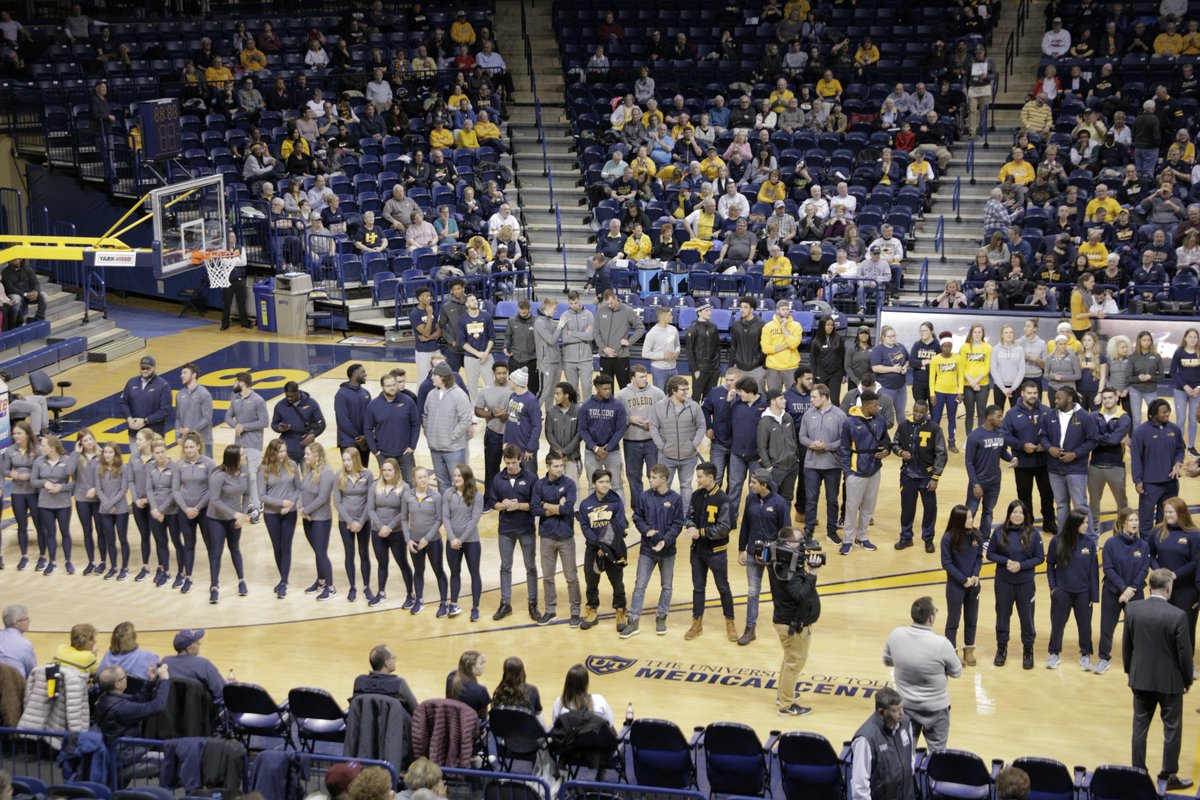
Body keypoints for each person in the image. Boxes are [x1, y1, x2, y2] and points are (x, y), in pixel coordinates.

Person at [1124, 568, 1194, 792]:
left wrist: (1131, 672)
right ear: (1168, 589)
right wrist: (1187, 680)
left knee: (1139, 728)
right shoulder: (1177, 615)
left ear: (1149, 585)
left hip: (1140, 678)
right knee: (1172, 729)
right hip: (1169, 682)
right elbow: (1184, 654)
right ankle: (1169, 775)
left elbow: (1127, 646)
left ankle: (1137, 773)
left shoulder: (1133, 609)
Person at [883, 596, 961, 750]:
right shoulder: (942, 644)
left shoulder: (895, 634)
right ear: (931, 617)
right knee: (937, 757)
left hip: (905, 708)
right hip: (936, 710)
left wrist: (906, 662)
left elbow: (887, 661)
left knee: (905, 753)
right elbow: (957, 672)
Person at [766, 526, 824, 716]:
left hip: (789, 621)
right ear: (789, 543)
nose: (802, 545)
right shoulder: (785, 567)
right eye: (799, 541)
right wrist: (812, 572)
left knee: (790, 660)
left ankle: (783, 694)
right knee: (794, 663)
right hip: (792, 624)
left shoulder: (782, 559)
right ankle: (786, 705)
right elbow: (800, 594)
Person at [624, 464, 684, 638]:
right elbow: (637, 517)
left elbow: (678, 523)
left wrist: (666, 541)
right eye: (650, 476)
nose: (649, 479)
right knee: (639, 586)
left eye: (653, 477)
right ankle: (633, 621)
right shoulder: (644, 496)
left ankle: (661, 616)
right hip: (647, 550)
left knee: (667, 586)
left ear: (664, 479)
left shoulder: (675, 499)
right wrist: (645, 530)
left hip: (667, 551)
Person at [988, 500, 1045, 669]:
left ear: (1025, 515)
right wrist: (1006, 561)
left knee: (1027, 618)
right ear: (1009, 514)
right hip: (1004, 582)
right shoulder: (999, 532)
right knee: (1003, 615)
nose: (1017, 515)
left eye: (1021, 512)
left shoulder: (1033, 534)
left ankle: (1028, 650)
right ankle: (1001, 648)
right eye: (1014, 512)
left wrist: (1022, 565)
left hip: (1025, 583)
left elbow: (1040, 557)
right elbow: (990, 554)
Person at [737, 469, 790, 646]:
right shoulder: (750, 499)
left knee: (778, 591)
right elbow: (745, 524)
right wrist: (741, 549)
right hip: (753, 552)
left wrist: (782, 555)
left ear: (764, 485)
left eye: (753, 482)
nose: (750, 485)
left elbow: (786, 532)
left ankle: (784, 626)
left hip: (773, 555)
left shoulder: (780, 503)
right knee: (753, 591)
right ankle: (749, 628)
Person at [1046, 508, 1100, 671]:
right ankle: (1054, 652)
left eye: (1087, 522)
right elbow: (1050, 564)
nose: (1086, 525)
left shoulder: (1090, 543)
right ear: (1074, 523)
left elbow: (1093, 571)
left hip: (1083, 592)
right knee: (1057, 624)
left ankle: (1085, 654)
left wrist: (1094, 595)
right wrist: (1053, 587)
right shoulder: (1057, 541)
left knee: (1085, 625)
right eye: (1083, 522)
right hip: (1062, 591)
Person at [1040, 388, 1099, 536]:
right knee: (1061, 506)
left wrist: (1075, 454)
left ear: (1069, 399)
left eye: (1059, 398)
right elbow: (1042, 436)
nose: (1055, 401)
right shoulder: (1049, 415)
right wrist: (1049, 448)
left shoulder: (1085, 417)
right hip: (1054, 468)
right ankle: (1063, 538)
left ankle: (1091, 538)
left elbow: (1093, 440)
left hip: (1076, 469)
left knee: (1080, 505)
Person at [576, 467, 629, 633]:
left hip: (613, 550)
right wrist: (599, 545)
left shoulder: (616, 502)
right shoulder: (586, 504)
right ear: (594, 484)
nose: (605, 485)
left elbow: (619, 526)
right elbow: (585, 527)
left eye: (607, 482)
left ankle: (621, 612)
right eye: (601, 482)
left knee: (617, 584)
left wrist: (605, 546)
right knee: (591, 583)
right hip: (593, 551)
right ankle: (592, 611)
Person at [531, 451, 580, 626]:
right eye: (557, 466)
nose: (561, 469)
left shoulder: (570, 484)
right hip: (546, 536)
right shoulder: (539, 485)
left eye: (562, 466)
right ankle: (550, 611)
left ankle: (575, 611)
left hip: (566, 536)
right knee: (547, 577)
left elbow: (568, 510)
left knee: (571, 577)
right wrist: (555, 507)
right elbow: (535, 509)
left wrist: (546, 505)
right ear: (548, 466)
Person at [1002, 381, 1057, 536]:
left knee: (1047, 494)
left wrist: (1044, 445)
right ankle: (1028, 524)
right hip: (1022, 462)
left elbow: (1055, 433)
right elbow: (1005, 435)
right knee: (1024, 495)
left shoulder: (1047, 411)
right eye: (1029, 393)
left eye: (1035, 393)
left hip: (1044, 462)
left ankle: (1049, 522)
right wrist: (1021, 445)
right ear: (1022, 394)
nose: (1033, 396)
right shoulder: (1012, 414)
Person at [839, 391, 890, 555]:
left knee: (869, 506)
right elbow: (844, 449)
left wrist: (887, 451)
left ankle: (861, 536)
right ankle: (847, 539)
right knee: (851, 507)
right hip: (856, 470)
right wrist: (847, 472)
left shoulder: (880, 420)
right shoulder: (850, 422)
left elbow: (886, 440)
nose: (878, 407)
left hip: (875, 469)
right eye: (875, 405)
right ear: (866, 405)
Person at [893, 401, 946, 552]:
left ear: (926, 413)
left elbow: (941, 454)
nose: (917, 414)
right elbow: (895, 443)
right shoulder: (904, 425)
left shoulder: (934, 428)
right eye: (915, 410)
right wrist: (900, 452)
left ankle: (928, 539)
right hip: (908, 474)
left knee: (930, 509)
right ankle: (906, 537)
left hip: (927, 476)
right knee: (907, 508)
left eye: (921, 412)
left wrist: (935, 477)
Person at [848, 688, 916, 800]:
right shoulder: (866, 739)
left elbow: (910, 757)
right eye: (895, 710)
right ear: (881, 712)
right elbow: (860, 787)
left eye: (902, 707)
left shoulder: (905, 723)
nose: (901, 713)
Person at [799, 384, 846, 546]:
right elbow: (801, 436)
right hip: (811, 464)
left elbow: (844, 440)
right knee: (811, 500)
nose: (811, 400)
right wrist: (812, 443)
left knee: (832, 499)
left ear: (824, 397)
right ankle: (808, 531)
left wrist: (827, 446)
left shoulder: (840, 415)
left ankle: (831, 532)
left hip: (832, 465)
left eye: (814, 397)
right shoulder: (807, 414)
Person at [1131, 399, 1185, 535]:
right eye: (1164, 412)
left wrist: (1178, 462)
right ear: (1154, 414)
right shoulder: (1140, 431)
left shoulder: (1174, 429)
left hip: (1171, 483)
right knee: (1146, 521)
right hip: (1150, 484)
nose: (1168, 414)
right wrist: (1138, 480)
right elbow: (1136, 458)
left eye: (1168, 411)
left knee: (1167, 520)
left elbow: (1180, 448)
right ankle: (1146, 550)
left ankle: (1162, 547)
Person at [366, 458, 413, 609]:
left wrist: (389, 527)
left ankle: (410, 594)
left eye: (389, 470)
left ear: (396, 471)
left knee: (402, 563)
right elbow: (370, 509)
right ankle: (381, 593)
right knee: (382, 563)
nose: (386, 473)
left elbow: (404, 512)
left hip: (396, 532)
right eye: (384, 470)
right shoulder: (375, 486)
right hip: (377, 532)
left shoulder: (404, 487)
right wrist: (381, 527)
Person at [940, 505, 982, 665]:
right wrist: (963, 580)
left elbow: (979, 557)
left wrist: (975, 575)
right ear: (958, 520)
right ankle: (951, 654)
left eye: (971, 517)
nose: (971, 520)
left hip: (973, 585)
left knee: (971, 619)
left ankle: (969, 650)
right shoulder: (948, 538)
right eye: (968, 518)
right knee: (953, 621)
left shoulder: (976, 534)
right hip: (956, 586)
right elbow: (947, 563)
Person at [422, 362, 473, 494]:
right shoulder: (431, 394)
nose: (432, 378)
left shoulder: (459, 395)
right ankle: (445, 510)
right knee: (441, 481)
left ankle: (461, 510)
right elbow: (425, 416)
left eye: (435, 375)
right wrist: (429, 433)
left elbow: (466, 420)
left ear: (443, 377)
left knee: (459, 482)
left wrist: (452, 436)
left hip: (454, 449)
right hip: (435, 448)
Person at [365, 370, 420, 487]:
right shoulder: (373, 405)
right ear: (382, 387)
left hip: (405, 453)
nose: (392, 388)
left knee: (412, 483)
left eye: (394, 385)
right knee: (387, 484)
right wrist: (375, 451)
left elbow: (416, 423)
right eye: (388, 386)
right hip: (384, 454)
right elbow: (368, 429)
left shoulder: (408, 401)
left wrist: (412, 446)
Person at [334, 448, 375, 604]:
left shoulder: (368, 475)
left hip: (363, 521)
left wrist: (361, 521)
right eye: (344, 460)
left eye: (349, 460)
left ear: (356, 459)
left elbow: (370, 500)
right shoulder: (339, 475)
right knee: (349, 553)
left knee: (364, 553)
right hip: (346, 522)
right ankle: (352, 587)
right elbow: (337, 502)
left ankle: (366, 586)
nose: (346, 463)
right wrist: (350, 521)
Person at [93, 661, 171, 743]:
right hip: (126, 752)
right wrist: (164, 680)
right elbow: (158, 706)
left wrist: (150, 682)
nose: (126, 678)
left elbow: (137, 700)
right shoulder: (121, 708)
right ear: (117, 684)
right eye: (124, 676)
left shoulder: (104, 698)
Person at [580, 374, 628, 505]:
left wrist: (607, 448)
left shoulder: (618, 406)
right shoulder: (586, 406)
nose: (608, 391)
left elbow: (620, 429)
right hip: (591, 452)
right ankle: (593, 513)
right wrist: (595, 448)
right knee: (592, 485)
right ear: (596, 388)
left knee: (617, 485)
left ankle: (620, 517)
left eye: (609, 388)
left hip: (612, 452)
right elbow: (583, 430)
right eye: (604, 388)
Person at [224, 372, 268, 514]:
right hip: (239, 444)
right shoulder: (235, 399)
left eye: (234, 382)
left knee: (252, 475)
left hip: (254, 444)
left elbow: (264, 421)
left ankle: (257, 505)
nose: (233, 385)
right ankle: (247, 504)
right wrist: (235, 425)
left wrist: (244, 426)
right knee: (241, 474)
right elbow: (228, 417)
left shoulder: (258, 400)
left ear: (241, 383)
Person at [32, 434, 75, 575]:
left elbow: (74, 481)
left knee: (65, 532)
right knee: (50, 533)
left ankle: (68, 561)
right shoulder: (39, 461)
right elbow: (33, 481)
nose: (41, 447)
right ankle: (52, 562)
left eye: (43, 445)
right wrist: (44, 483)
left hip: (63, 503)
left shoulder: (67, 460)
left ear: (52, 448)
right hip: (45, 503)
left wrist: (61, 488)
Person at [965, 405, 1011, 538]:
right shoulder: (975, 436)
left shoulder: (1001, 433)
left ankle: (984, 537)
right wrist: (975, 484)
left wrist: (1012, 458)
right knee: (971, 511)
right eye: (998, 416)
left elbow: (1002, 452)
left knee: (988, 511)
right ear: (989, 417)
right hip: (979, 481)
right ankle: (965, 537)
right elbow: (969, 462)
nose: (1001, 419)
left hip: (995, 481)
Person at [299, 443, 337, 602]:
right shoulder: (308, 470)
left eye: (308, 454)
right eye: (305, 454)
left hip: (321, 519)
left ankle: (331, 587)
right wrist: (301, 508)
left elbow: (322, 498)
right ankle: (321, 581)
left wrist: (306, 510)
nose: (305, 456)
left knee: (321, 552)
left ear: (316, 455)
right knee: (317, 551)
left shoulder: (327, 473)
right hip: (307, 518)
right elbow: (301, 490)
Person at [3, 421, 42, 572]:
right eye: (14, 433)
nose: (16, 436)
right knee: (21, 525)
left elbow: (41, 469)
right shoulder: (10, 450)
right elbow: (5, 470)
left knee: (40, 525)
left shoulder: (37, 449)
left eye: (19, 433)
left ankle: (43, 556)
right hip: (18, 492)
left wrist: (30, 475)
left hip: (34, 492)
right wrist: (11, 474)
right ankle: (24, 556)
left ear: (27, 433)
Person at [95, 442, 132, 581]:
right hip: (104, 510)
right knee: (110, 539)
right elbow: (98, 489)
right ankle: (113, 567)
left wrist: (110, 503)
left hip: (120, 509)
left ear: (116, 454)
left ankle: (125, 568)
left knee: (122, 539)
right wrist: (107, 504)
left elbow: (124, 489)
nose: (107, 455)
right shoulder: (99, 468)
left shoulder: (123, 467)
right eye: (105, 452)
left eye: (110, 452)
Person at [594, 290, 643, 389]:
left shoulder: (627, 310)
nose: (609, 306)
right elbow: (596, 332)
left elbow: (640, 328)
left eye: (611, 303)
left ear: (616, 297)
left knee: (625, 388)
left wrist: (629, 341)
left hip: (621, 357)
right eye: (607, 303)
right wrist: (604, 348)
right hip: (604, 357)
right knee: (605, 389)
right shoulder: (600, 310)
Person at [162, 628, 227, 702]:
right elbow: (221, 692)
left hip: (171, 711)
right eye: (196, 642)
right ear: (189, 649)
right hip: (201, 711)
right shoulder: (204, 664)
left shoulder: (165, 662)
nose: (199, 643)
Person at [118, 355, 172, 443]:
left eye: (148, 368)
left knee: (156, 456)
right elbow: (123, 403)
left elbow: (166, 410)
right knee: (135, 456)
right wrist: (129, 418)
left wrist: (145, 421)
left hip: (155, 435)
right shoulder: (131, 382)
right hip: (134, 434)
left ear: (154, 368)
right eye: (143, 368)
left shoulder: (163, 385)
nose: (145, 370)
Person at [271, 381, 327, 465]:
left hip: (307, 448)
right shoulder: (280, 405)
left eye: (292, 396)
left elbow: (321, 424)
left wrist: (313, 434)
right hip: (288, 448)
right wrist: (279, 428)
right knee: (289, 477)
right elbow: (274, 424)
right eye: (287, 396)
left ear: (298, 392)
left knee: (309, 476)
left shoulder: (311, 403)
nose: (289, 398)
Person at [353, 644, 419, 713]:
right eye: (393, 658)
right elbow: (416, 711)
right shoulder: (399, 684)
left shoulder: (359, 681)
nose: (395, 660)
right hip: (394, 723)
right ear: (386, 663)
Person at [929, 333, 963, 453]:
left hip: (953, 393)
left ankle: (951, 442)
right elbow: (932, 378)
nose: (947, 348)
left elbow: (961, 376)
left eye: (950, 346)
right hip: (939, 392)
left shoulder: (957, 358)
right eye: (945, 346)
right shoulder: (935, 359)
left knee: (951, 418)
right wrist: (932, 394)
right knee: (936, 419)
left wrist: (960, 392)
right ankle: (934, 442)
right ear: (941, 347)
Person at [558, 291, 595, 400]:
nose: (574, 305)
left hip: (586, 359)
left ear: (579, 299)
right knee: (572, 389)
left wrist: (573, 333)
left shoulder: (589, 314)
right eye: (571, 303)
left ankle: (587, 410)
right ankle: (575, 412)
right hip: (569, 360)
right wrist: (583, 334)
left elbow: (591, 337)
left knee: (586, 386)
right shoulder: (564, 316)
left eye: (575, 302)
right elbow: (565, 339)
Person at [335, 364, 372, 470]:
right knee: (350, 474)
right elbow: (343, 421)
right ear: (354, 374)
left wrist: (365, 436)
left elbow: (370, 418)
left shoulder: (366, 393)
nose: (365, 374)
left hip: (364, 442)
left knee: (363, 473)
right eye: (363, 372)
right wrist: (358, 438)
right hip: (348, 442)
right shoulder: (341, 394)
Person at [176, 363, 214, 456]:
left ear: (193, 375)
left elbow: (207, 418)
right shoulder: (180, 394)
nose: (182, 375)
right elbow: (178, 418)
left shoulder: (204, 394)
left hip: (203, 442)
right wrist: (178, 436)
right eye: (181, 373)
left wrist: (191, 430)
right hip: (187, 443)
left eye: (185, 373)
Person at [686, 302, 721, 401]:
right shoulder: (693, 328)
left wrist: (717, 366)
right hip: (700, 369)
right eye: (707, 311)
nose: (710, 313)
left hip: (714, 368)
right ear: (699, 312)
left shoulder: (713, 327)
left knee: (709, 398)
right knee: (696, 397)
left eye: (710, 310)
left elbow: (717, 347)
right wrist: (695, 369)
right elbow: (689, 350)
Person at [534, 297, 564, 413]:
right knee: (544, 391)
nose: (555, 311)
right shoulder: (539, 322)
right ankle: (531, 415)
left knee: (553, 392)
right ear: (548, 308)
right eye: (554, 309)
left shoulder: (550, 321)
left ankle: (550, 416)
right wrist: (560, 326)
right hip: (545, 362)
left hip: (556, 361)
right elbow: (551, 340)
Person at [731, 297, 767, 387]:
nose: (742, 310)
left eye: (745, 307)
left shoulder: (761, 324)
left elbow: (765, 347)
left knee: (759, 397)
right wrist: (731, 365)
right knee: (738, 396)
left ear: (752, 309)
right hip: (739, 367)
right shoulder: (736, 325)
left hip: (757, 368)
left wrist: (764, 366)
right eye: (741, 307)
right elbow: (733, 347)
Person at [0, 259, 46, 330]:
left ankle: (39, 318)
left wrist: (36, 292)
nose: (18, 261)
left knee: (43, 295)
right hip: (16, 293)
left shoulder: (27, 269)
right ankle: (17, 324)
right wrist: (25, 294)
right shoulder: (5, 272)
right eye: (15, 260)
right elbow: (10, 289)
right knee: (16, 299)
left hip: (30, 293)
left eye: (18, 259)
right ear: (10, 262)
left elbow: (35, 282)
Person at [446, 650, 490, 720]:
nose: (483, 666)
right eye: (481, 663)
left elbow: (460, 669)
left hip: (453, 722)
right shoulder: (480, 691)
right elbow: (483, 718)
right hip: (471, 726)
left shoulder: (451, 677)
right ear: (472, 667)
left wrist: (480, 659)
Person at [0, 605, 35, 677]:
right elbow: (32, 672)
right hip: (15, 685)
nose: (29, 621)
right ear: (16, 623)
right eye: (26, 619)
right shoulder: (25, 644)